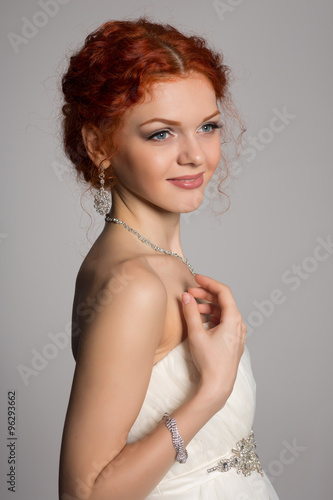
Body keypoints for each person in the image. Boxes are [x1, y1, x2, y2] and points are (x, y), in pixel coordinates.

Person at [58, 17, 279, 500]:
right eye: (162, 134)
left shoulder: (153, 261)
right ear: (100, 145)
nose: (195, 155)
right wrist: (211, 392)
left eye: (207, 127)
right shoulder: (137, 283)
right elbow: (86, 494)